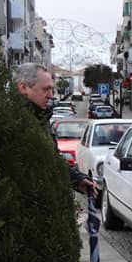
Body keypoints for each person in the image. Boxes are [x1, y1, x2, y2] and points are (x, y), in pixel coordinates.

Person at [15, 63, 97, 197]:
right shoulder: (10, 120)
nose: (51, 95)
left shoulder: (41, 117)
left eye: (52, 89)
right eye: (45, 89)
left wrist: (76, 179)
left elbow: (51, 159)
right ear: (23, 87)